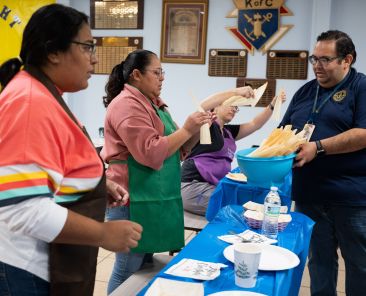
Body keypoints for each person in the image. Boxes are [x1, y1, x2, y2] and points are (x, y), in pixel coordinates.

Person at [0, 4, 142, 296]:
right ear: (53, 51)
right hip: (26, 268)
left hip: (48, 261)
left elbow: (50, 167)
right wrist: (103, 233)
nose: (95, 58)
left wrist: (99, 184)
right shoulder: (30, 103)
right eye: (87, 46)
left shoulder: (44, 95)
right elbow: (22, 209)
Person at [101, 49, 255, 293]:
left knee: (144, 262)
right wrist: (186, 129)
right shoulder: (126, 105)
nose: (162, 78)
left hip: (151, 196)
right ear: (137, 75)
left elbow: (179, 150)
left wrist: (195, 129)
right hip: (130, 197)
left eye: (163, 72)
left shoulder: (155, 105)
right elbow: (150, 153)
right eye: (157, 72)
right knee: (127, 266)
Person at [280, 30, 366, 295]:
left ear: (346, 60)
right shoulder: (306, 91)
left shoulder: (360, 87)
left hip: (351, 196)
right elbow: (284, 131)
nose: (317, 66)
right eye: (314, 59)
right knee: (319, 262)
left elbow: (363, 134)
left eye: (325, 60)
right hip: (310, 196)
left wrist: (317, 148)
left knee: (359, 264)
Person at [181, 94, 285, 216]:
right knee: (238, 210)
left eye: (236, 107)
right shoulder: (205, 126)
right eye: (231, 104)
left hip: (213, 186)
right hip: (193, 187)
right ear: (216, 106)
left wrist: (272, 105)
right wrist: (236, 92)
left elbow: (255, 124)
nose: (233, 109)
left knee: (247, 199)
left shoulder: (228, 131)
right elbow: (201, 108)